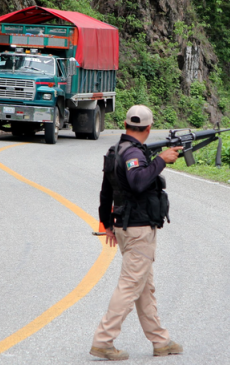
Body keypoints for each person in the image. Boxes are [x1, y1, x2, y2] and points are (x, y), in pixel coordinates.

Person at [90, 105, 183, 360]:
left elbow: (105, 191)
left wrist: (106, 223)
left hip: (124, 226)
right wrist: (161, 160)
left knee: (144, 287)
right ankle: (103, 340)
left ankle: (160, 340)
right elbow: (138, 182)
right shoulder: (134, 154)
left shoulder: (115, 151)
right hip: (138, 229)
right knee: (131, 285)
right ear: (149, 127)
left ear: (125, 124)